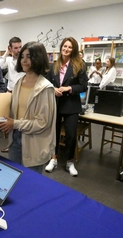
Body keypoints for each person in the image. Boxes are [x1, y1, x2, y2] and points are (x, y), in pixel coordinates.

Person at [0, 42, 56, 174]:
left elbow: (42, 122)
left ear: (38, 58)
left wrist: (15, 123)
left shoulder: (45, 88)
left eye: (29, 56)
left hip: (34, 141)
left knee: (31, 183)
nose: (24, 60)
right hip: (15, 138)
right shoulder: (19, 82)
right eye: (22, 56)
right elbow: (14, 108)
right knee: (14, 177)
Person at [45, 37, 88, 176]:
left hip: (71, 106)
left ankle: (70, 162)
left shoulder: (79, 65)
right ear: (61, 47)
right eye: (65, 46)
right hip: (55, 104)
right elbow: (46, 83)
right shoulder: (54, 66)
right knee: (54, 134)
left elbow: (83, 86)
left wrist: (68, 88)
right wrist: (53, 89)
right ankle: (54, 158)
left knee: (70, 135)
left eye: (70, 47)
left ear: (73, 49)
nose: (66, 49)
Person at [0, 36, 25, 153]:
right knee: (10, 120)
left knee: (22, 120)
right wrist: (5, 54)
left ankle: (23, 146)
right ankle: (11, 145)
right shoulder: (8, 60)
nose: (18, 50)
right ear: (10, 48)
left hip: (23, 94)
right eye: (15, 48)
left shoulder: (25, 60)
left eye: (20, 47)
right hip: (11, 93)